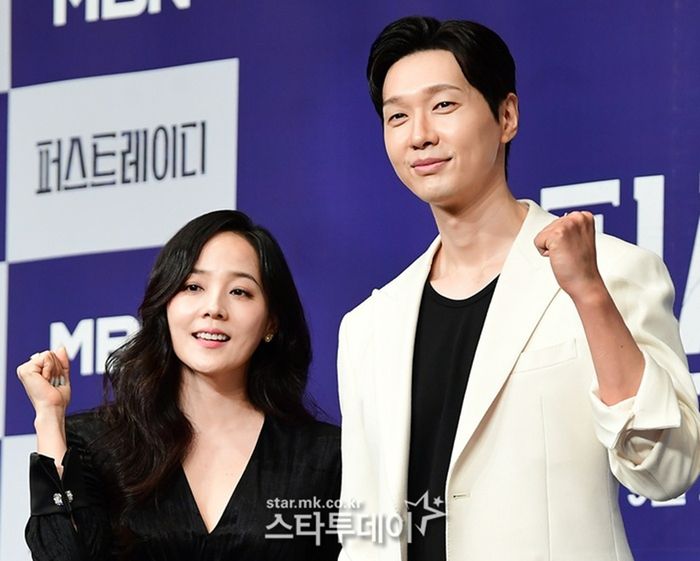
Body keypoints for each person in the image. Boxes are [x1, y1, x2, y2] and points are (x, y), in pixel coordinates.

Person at [337, 15, 700, 561]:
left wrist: (590, 296)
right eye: (397, 116)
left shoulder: (612, 273)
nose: (419, 135)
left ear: (506, 116)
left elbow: (668, 468)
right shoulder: (369, 326)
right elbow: (367, 528)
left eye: (443, 105)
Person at [18, 210, 341, 560]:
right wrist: (49, 417)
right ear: (166, 304)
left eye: (239, 291)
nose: (213, 308)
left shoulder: (326, 456)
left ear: (271, 323)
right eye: (193, 287)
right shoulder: (97, 444)